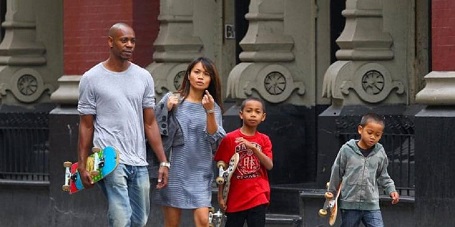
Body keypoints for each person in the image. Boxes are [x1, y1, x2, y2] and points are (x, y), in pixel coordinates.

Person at [77, 22, 169, 227]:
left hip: (139, 160)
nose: (129, 45)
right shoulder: (91, 78)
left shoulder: (143, 77)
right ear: (110, 42)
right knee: (121, 218)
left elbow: (151, 123)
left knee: (140, 219)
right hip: (109, 158)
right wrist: (82, 164)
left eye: (133, 41)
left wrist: (163, 161)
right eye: (124, 40)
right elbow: (86, 125)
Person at [153, 57, 226, 227]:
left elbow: (215, 140)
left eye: (206, 74)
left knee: (203, 220)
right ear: (188, 75)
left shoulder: (213, 107)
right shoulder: (173, 99)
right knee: (172, 223)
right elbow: (154, 129)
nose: (201, 77)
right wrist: (166, 109)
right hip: (174, 170)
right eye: (197, 72)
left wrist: (209, 112)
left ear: (211, 80)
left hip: (200, 170)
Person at [327, 113, 400, 227]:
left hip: (371, 204)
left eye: (377, 135)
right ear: (360, 129)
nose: (373, 137)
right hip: (349, 204)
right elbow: (337, 172)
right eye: (369, 133)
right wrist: (331, 192)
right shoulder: (347, 150)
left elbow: (383, 175)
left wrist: (391, 190)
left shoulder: (380, 153)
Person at [214, 97, 273, 227]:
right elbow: (221, 171)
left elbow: (269, 165)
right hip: (235, 198)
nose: (253, 114)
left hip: (258, 196)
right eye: (249, 111)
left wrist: (253, 147)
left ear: (263, 117)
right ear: (241, 114)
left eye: (257, 112)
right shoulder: (230, 139)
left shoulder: (264, 140)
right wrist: (220, 196)